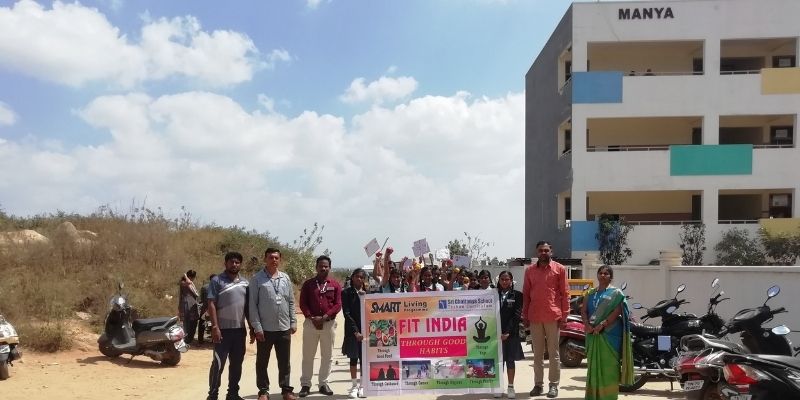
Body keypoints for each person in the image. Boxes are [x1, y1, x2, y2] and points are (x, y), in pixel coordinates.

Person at [522, 241, 569, 398]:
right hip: (535, 316)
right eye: (541, 250)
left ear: (551, 251)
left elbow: (565, 293)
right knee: (537, 354)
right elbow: (526, 295)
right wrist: (525, 315)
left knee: (554, 353)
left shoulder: (559, 269)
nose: (543, 253)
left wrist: (565, 315)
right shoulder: (530, 271)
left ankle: (553, 385)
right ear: (537, 252)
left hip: (553, 316)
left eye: (546, 250)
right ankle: (538, 385)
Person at [250, 248, 298, 400]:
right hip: (265, 329)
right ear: (265, 259)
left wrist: (293, 321)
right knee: (262, 361)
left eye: (276, 258)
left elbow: (291, 301)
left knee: (284, 361)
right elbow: (252, 305)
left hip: (284, 327)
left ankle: (286, 390)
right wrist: (257, 327)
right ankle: (263, 391)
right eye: (271, 257)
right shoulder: (257, 279)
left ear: (280, 260)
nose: (274, 260)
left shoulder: (285, 278)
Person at [581, 266, 633, 400]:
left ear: (611, 277)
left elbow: (617, 311)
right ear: (597, 275)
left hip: (610, 335)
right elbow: (584, 311)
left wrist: (603, 324)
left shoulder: (616, 293)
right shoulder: (590, 293)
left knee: (610, 367)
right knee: (593, 367)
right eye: (600, 273)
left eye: (606, 273)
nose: (603, 275)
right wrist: (587, 325)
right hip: (592, 334)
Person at [206, 252, 252, 400]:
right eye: (231, 262)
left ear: (240, 264)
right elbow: (211, 303)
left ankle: (232, 394)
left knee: (237, 364)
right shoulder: (217, 281)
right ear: (225, 263)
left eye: (237, 262)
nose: (234, 264)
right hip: (222, 331)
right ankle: (213, 395)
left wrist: (252, 327)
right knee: (218, 364)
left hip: (239, 331)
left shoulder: (245, 283)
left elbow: (247, 308)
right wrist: (215, 327)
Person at [298, 255, 342, 398]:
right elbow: (303, 303)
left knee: (327, 356)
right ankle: (305, 384)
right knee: (308, 356)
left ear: (329, 268)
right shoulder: (308, 284)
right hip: (311, 324)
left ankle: (323, 383)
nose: (323, 268)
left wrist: (324, 317)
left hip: (328, 324)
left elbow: (338, 304)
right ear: (316, 267)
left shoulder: (335, 285)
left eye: (326, 266)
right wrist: (311, 317)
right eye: (321, 266)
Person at [494, 270, 523, 399]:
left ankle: (511, 387)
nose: (504, 282)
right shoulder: (493, 294)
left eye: (507, 279)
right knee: (499, 361)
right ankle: (499, 387)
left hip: (511, 333)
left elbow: (516, 315)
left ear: (511, 281)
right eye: (502, 279)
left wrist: (507, 332)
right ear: (498, 280)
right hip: (495, 334)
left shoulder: (518, 295)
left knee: (510, 360)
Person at [341, 268, 368, 399]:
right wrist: (356, 331)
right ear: (352, 278)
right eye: (357, 276)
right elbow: (347, 314)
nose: (359, 279)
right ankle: (354, 386)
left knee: (363, 359)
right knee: (353, 358)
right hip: (352, 331)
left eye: (361, 277)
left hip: (366, 331)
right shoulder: (346, 293)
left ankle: (362, 386)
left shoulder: (367, 293)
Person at [179, 269, 201, 345]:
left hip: (192, 304)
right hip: (186, 305)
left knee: (193, 322)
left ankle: (190, 338)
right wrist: (185, 276)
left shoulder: (191, 284)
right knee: (187, 323)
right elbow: (189, 282)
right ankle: (186, 339)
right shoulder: (183, 283)